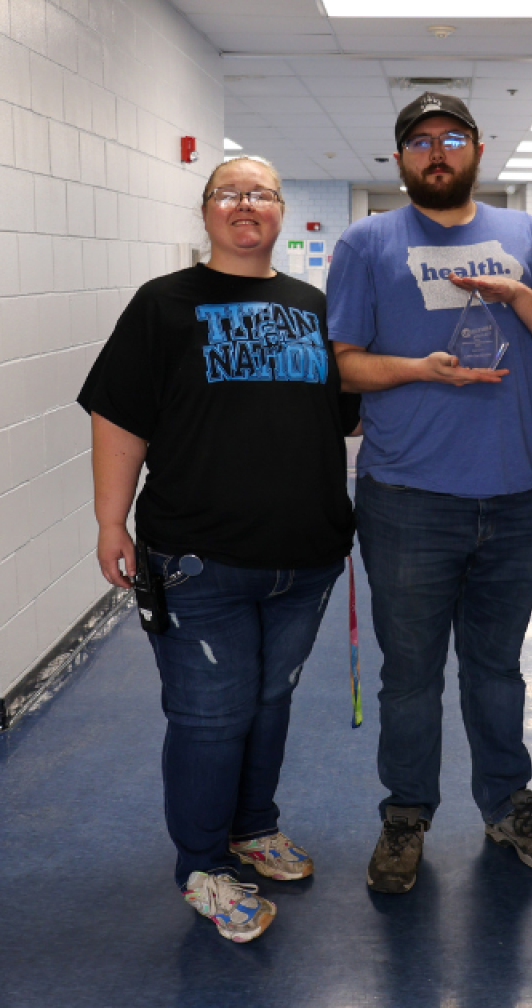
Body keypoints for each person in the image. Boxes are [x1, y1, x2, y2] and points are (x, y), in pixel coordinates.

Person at [79, 156, 356, 941]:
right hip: (198, 558)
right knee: (210, 716)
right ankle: (202, 865)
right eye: (229, 193)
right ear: (206, 212)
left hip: (305, 559)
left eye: (262, 193)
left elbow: (348, 416)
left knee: (270, 703)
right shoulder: (163, 305)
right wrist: (111, 520)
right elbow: (118, 415)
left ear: (279, 211)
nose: (246, 204)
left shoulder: (312, 305)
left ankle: (252, 828)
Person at [328, 92, 532, 893]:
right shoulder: (366, 243)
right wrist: (418, 368)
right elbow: (343, 363)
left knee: (497, 669)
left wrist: (516, 293)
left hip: (514, 497)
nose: (436, 152)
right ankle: (406, 815)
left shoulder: (529, 238)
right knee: (409, 674)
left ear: (478, 148)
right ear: (401, 158)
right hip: (407, 498)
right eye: (419, 142)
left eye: (450, 139)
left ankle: (507, 804)